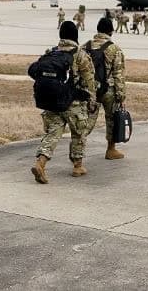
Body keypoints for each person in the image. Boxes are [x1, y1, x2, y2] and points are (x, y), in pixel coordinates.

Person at [31, 21, 97, 183]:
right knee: (79, 133)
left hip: (53, 101)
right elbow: (89, 81)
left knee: (53, 133)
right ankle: (77, 166)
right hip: (74, 103)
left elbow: (36, 72)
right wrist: (92, 100)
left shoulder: (51, 53)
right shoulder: (81, 54)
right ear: (75, 36)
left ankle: (41, 163)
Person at [83, 18, 127, 160]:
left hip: (90, 90)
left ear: (98, 30)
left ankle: (77, 153)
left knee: (86, 121)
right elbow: (118, 74)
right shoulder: (114, 48)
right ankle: (111, 149)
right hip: (108, 89)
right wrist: (121, 95)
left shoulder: (85, 46)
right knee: (111, 119)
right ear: (111, 31)